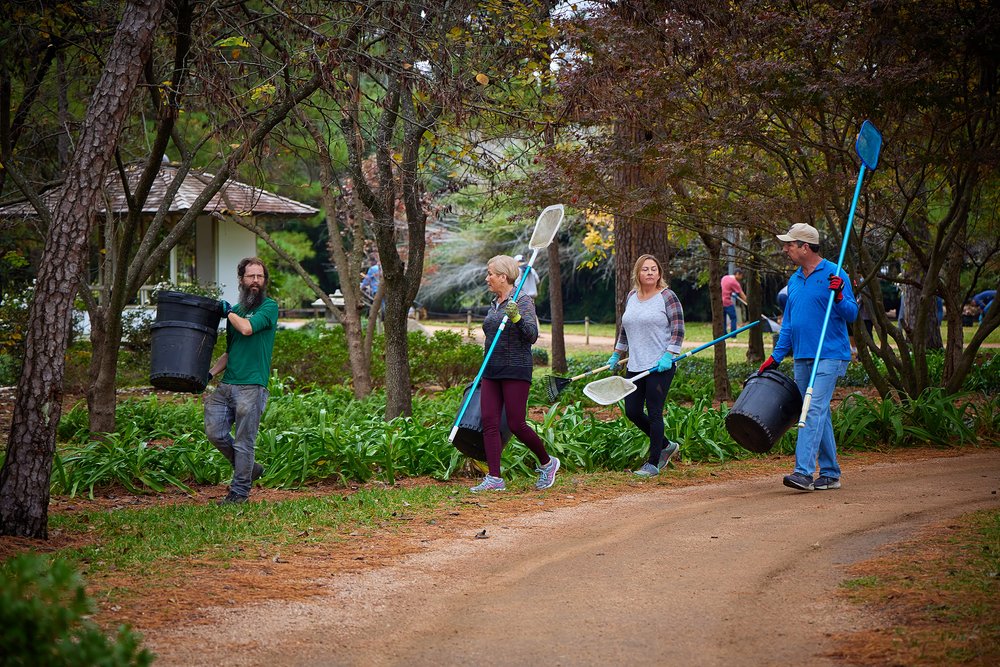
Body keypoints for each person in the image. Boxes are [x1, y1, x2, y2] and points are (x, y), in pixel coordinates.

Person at [758, 223, 857, 492]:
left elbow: (852, 314)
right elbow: (788, 323)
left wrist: (838, 295)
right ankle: (830, 473)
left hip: (829, 354)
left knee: (811, 409)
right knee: (818, 412)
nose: (785, 248)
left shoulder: (835, 274)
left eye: (790, 244)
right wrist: (776, 357)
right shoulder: (794, 280)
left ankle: (803, 472)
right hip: (802, 356)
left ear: (805, 247)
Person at [470, 254, 559, 492]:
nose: (487, 278)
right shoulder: (494, 303)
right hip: (491, 370)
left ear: (503, 276)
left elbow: (531, 335)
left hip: (516, 369)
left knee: (516, 423)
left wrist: (517, 318)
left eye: (490, 274)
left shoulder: (522, 300)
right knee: (488, 423)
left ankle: (548, 464)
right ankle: (494, 478)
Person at [204, 257, 279, 505]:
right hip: (228, 384)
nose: (256, 281)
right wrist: (211, 373)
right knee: (214, 432)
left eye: (260, 276)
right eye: (251, 276)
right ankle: (250, 469)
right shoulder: (235, 313)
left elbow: (247, 329)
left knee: (245, 442)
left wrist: (228, 312)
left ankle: (239, 492)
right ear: (241, 280)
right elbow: (230, 352)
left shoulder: (269, 307)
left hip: (252, 386)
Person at [606, 254, 685, 477]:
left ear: (659, 273)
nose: (650, 273)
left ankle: (653, 463)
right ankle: (666, 445)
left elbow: (678, 329)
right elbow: (625, 330)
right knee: (632, 411)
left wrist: (670, 354)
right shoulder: (632, 296)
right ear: (638, 274)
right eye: (645, 269)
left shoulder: (668, 296)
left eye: (654, 269)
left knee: (654, 413)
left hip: (660, 365)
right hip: (636, 364)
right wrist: (616, 354)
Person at [721, 269, 746, 333]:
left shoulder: (725, 277)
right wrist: (747, 302)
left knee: (723, 318)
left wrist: (731, 293)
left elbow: (724, 289)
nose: (741, 278)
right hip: (727, 302)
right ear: (737, 274)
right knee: (733, 318)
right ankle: (733, 334)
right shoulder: (734, 282)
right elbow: (741, 294)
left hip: (720, 302)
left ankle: (724, 333)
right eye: (741, 276)